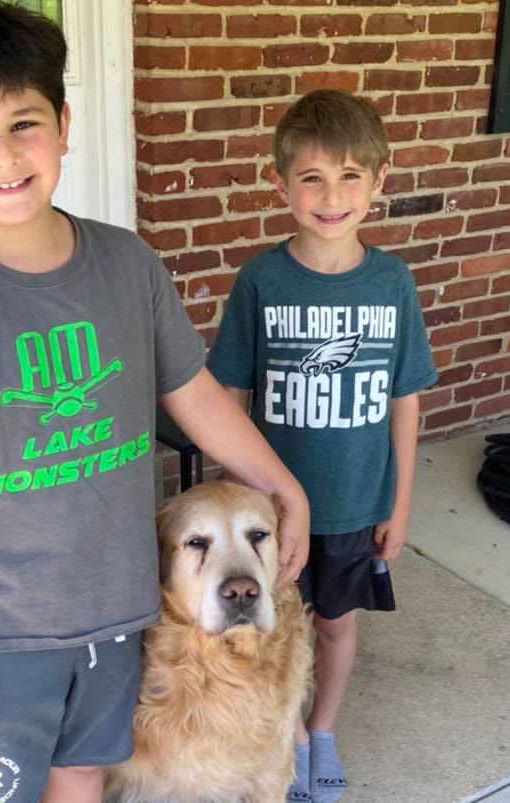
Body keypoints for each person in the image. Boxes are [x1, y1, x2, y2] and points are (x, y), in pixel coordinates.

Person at [0, 2, 310, 801]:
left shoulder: (126, 265)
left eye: (24, 123)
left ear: (64, 124)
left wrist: (281, 485)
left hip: (118, 610)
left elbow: (191, 392)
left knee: (83, 771)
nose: (3, 154)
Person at [207, 89, 437, 802]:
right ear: (280, 184)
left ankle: (322, 728)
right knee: (266, 630)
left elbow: (405, 400)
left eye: (349, 177)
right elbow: (229, 396)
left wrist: (399, 502)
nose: (331, 197)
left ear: (379, 180)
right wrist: (236, 504)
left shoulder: (392, 283)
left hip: (353, 505)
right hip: (271, 512)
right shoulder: (260, 280)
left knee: (334, 626)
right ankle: (290, 738)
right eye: (311, 177)